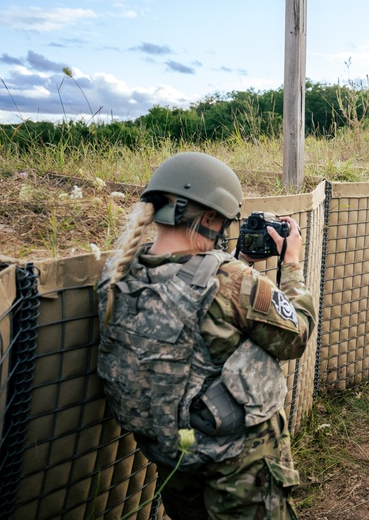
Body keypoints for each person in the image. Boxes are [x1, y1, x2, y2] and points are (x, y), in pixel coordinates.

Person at [97, 151, 316, 520]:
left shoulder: (118, 275)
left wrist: (237, 261)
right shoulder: (230, 280)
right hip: (238, 465)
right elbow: (296, 335)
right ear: (211, 217)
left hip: (176, 452)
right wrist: (292, 264)